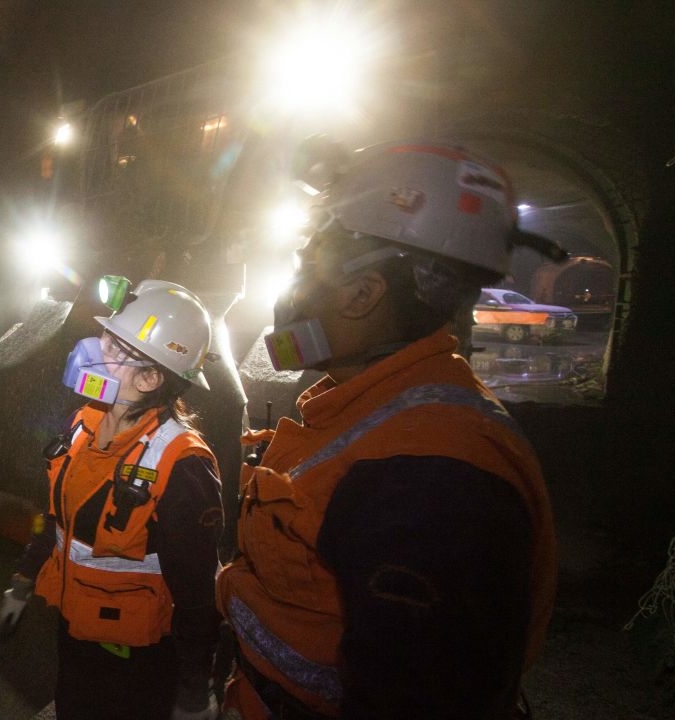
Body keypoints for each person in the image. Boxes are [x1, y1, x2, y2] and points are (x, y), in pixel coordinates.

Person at [217, 141, 561, 719]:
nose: (293, 286)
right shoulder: (369, 411)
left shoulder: (432, 480)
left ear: (362, 295)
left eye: (307, 265)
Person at [0, 279, 224, 720]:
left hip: (140, 662)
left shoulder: (181, 464)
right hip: (73, 631)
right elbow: (53, 518)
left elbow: (197, 593)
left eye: (118, 350)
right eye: (105, 336)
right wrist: (24, 581)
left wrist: (195, 689)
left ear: (151, 377)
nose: (96, 350)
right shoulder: (83, 423)